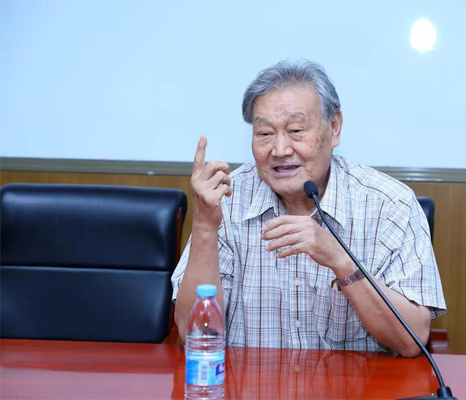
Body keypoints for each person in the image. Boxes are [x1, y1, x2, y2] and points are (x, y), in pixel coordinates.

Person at [171, 60, 446, 356]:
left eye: (296, 130)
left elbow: (412, 340)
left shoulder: (389, 204)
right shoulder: (227, 198)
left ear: (334, 128)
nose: (280, 150)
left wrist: (342, 262)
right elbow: (191, 332)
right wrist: (205, 226)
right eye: (264, 133)